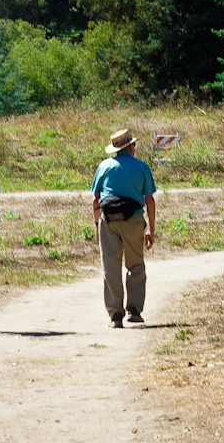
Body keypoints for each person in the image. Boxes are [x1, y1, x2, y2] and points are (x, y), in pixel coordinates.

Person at [91, 127, 157, 328]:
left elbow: (95, 199)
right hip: (134, 219)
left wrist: (96, 226)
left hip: (108, 220)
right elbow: (150, 200)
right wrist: (151, 229)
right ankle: (134, 311)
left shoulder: (104, 166)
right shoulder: (142, 167)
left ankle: (115, 316)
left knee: (110, 267)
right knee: (135, 265)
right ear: (131, 146)